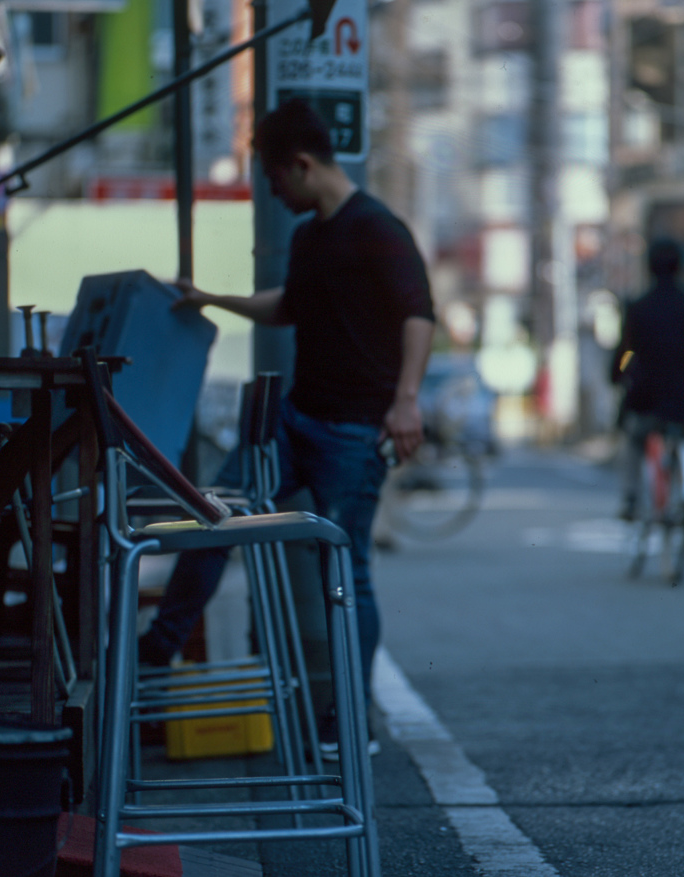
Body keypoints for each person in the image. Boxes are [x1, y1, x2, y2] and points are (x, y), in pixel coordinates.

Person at [138, 98, 436, 757]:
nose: (273, 190)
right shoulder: (310, 236)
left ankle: (350, 721)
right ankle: (157, 649)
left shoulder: (378, 229)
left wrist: (406, 400)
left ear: (300, 165)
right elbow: (289, 307)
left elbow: (420, 314)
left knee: (347, 567)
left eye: (274, 177)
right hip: (292, 421)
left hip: (354, 433)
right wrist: (214, 299)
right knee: (211, 511)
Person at [610, 237, 684, 536]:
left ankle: (631, 498)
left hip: (648, 400)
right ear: (681, 268)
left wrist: (618, 375)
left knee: (634, 442)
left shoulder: (639, 308)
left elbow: (625, 353)